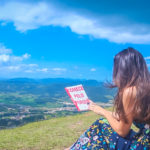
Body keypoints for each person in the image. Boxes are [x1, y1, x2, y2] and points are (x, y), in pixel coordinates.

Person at [65, 47, 150, 150]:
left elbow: (122, 131)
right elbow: (125, 118)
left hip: (143, 145)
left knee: (101, 124)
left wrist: (104, 113)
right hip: (145, 140)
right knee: (102, 123)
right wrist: (98, 109)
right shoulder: (145, 88)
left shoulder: (130, 91)